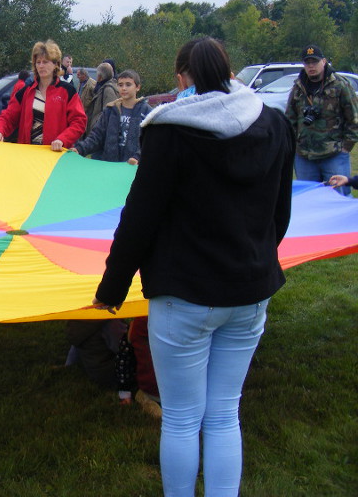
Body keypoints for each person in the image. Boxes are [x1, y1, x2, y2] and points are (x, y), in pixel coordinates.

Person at [92, 38, 294, 496]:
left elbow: (140, 216)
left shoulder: (169, 130)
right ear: (229, 72)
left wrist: (112, 287)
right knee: (224, 413)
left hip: (184, 295)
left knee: (183, 419)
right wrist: (256, 260)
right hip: (249, 290)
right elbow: (280, 212)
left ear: (183, 79)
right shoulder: (275, 125)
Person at [286, 44, 358, 196]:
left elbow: (354, 119)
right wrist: (293, 146)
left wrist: (345, 147)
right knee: (308, 199)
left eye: (315, 62)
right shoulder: (298, 88)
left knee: (339, 198)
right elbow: (290, 120)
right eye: (307, 63)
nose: (311, 66)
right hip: (304, 156)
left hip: (334, 154)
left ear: (324, 62)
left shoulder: (340, 85)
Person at [0, 40, 86, 150]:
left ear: (55, 64)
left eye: (45, 62)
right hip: (28, 155)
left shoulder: (67, 91)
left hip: (56, 155)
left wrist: (63, 139)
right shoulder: (25, 92)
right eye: (38, 62)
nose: (41, 66)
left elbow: (79, 122)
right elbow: (7, 117)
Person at [74, 69, 151, 164]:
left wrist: (138, 157)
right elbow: (97, 136)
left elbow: (151, 142)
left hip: (134, 168)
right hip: (111, 166)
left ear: (138, 87)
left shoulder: (147, 112)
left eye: (128, 84)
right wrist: (80, 149)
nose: (124, 88)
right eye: (120, 85)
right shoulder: (110, 110)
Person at [85, 62, 119, 132]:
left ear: (100, 77)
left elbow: (109, 114)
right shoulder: (102, 88)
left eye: (97, 74)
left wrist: (97, 125)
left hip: (101, 132)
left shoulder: (108, 90)